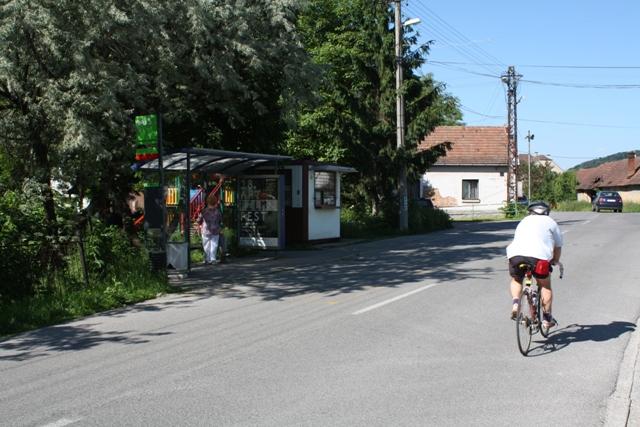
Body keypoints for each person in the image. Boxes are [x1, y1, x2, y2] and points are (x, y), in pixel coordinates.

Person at [506, 201, 563, 329]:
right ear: (546, 212)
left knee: (516, 279)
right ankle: (547, 319)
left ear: (530, 211)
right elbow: (558, 246)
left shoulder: (524, 221)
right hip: (539, 258)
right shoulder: (551, 222)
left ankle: (516, 303)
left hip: (516, 255)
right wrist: (555, 260)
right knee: (545, 286)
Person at [197, 194, 223, 265]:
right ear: (215, 202)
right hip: (216, 230)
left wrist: (199, 226)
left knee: (206, 245)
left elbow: (199, 220)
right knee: (214, 245)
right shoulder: (217, 211)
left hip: (206, 230)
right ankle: (213, 259)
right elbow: (220, 220)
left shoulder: (204, 211)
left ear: (207, 202)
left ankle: (207, 259)